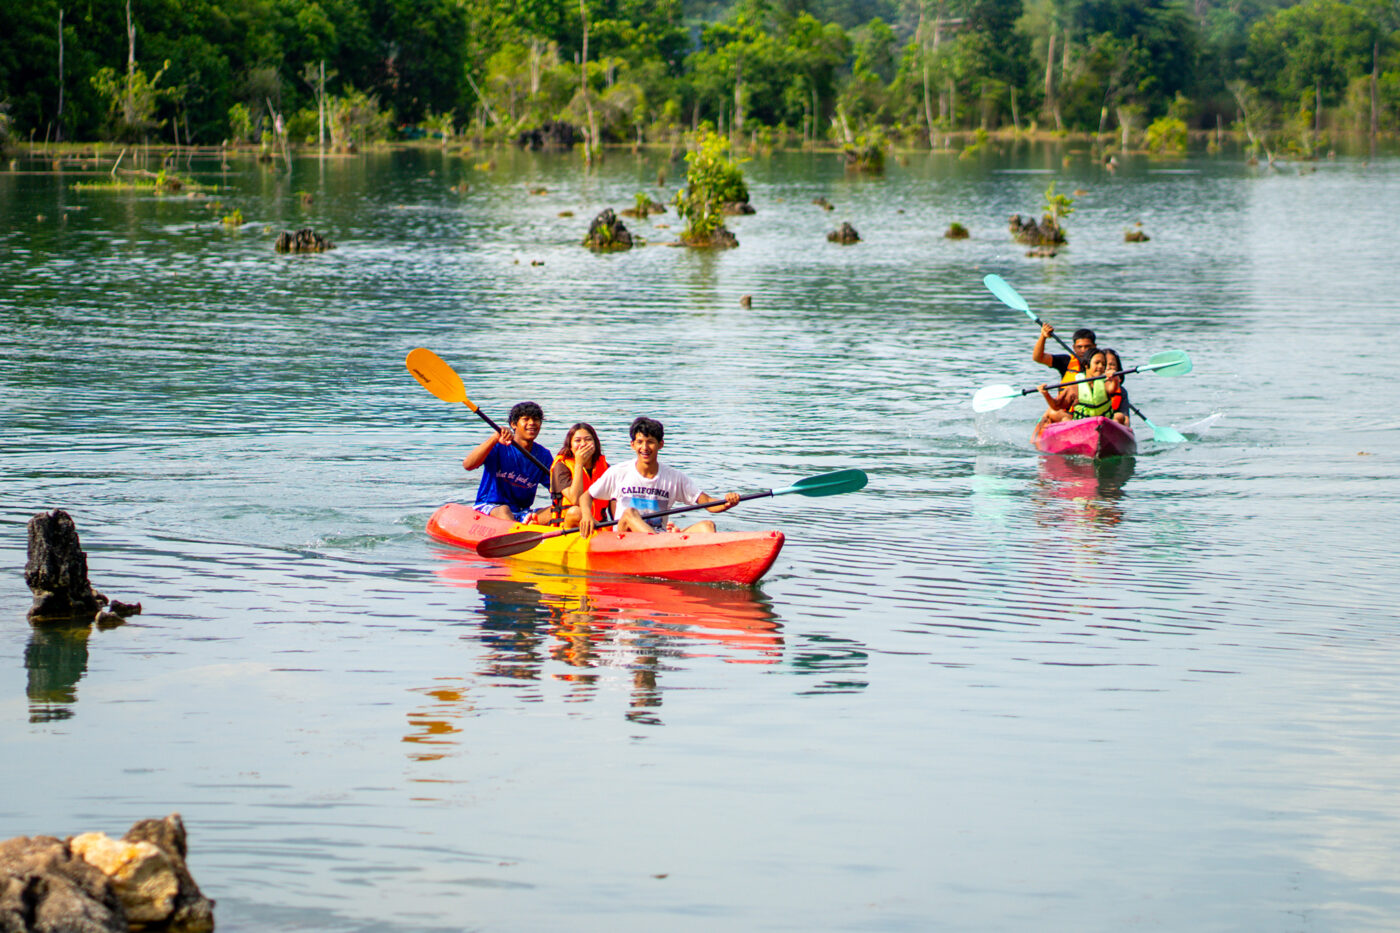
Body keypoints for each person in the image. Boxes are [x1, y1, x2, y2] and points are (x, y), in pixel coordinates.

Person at [578, 417, 741, 537]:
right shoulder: (619, 472)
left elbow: (706, 502)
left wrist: (727, 502)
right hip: (624, 537)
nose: (644, 447)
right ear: (632, 445)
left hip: (660, 538)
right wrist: (587, 515)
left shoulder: (674, 477)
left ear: (660, 444)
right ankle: (661, 546)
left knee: (707, 526)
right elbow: (587, 496)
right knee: (629, 513)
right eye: (640, 442)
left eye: (650, 442)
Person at [462, 401, 553, 523]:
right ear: (513, 424)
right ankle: (517, 532)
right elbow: (468, 465)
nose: (532, 423)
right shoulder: (498, 446)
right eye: (526, 419)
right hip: (490, 507)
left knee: (560, 511)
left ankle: (525, 526)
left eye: (536, 419)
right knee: (504, 510)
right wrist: (494, 438)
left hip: (523, 512)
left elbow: (557, 488)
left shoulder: (544, 455)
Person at [1034, 348, 1112, 437]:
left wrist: (1114, 378)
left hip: (1104, 425)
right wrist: (1046, 394)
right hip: (1081, 427)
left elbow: (1113, 388)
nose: (1101, 366)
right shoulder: (1074, 388)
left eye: (1103, 364)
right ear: (1086, 365)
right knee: (1057, 414)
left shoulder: (1107, 383)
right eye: (1097, 363)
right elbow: (1056, 405)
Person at [549, 422, 612, 529]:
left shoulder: (606, 468)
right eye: (577, 441)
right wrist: (579, 463)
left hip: (599, 528)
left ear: (595, 444)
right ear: (570, 445)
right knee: (575, 511)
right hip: (568, 527)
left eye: (588, 439)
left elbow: (614, 503)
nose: (583, 444)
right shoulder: (561, 466)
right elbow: (575, 500)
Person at [1033, 323, 1097, 387]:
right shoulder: (1066, 361)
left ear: (1094, 346)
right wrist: (1043, 336)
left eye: (1087, 347)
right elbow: (1038, 358)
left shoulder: (1102, 361)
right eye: (1079, 347)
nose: (1083, 350)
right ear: (1074, 347)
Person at [1102, 348, 1131, 427]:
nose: (1108, 368)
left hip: (1113, 424)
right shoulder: (1088, 386)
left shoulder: (1122, 391)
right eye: (1104, 364)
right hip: (1092, 422)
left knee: (1118, 416)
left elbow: (1126, 420)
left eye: (1112, 364)